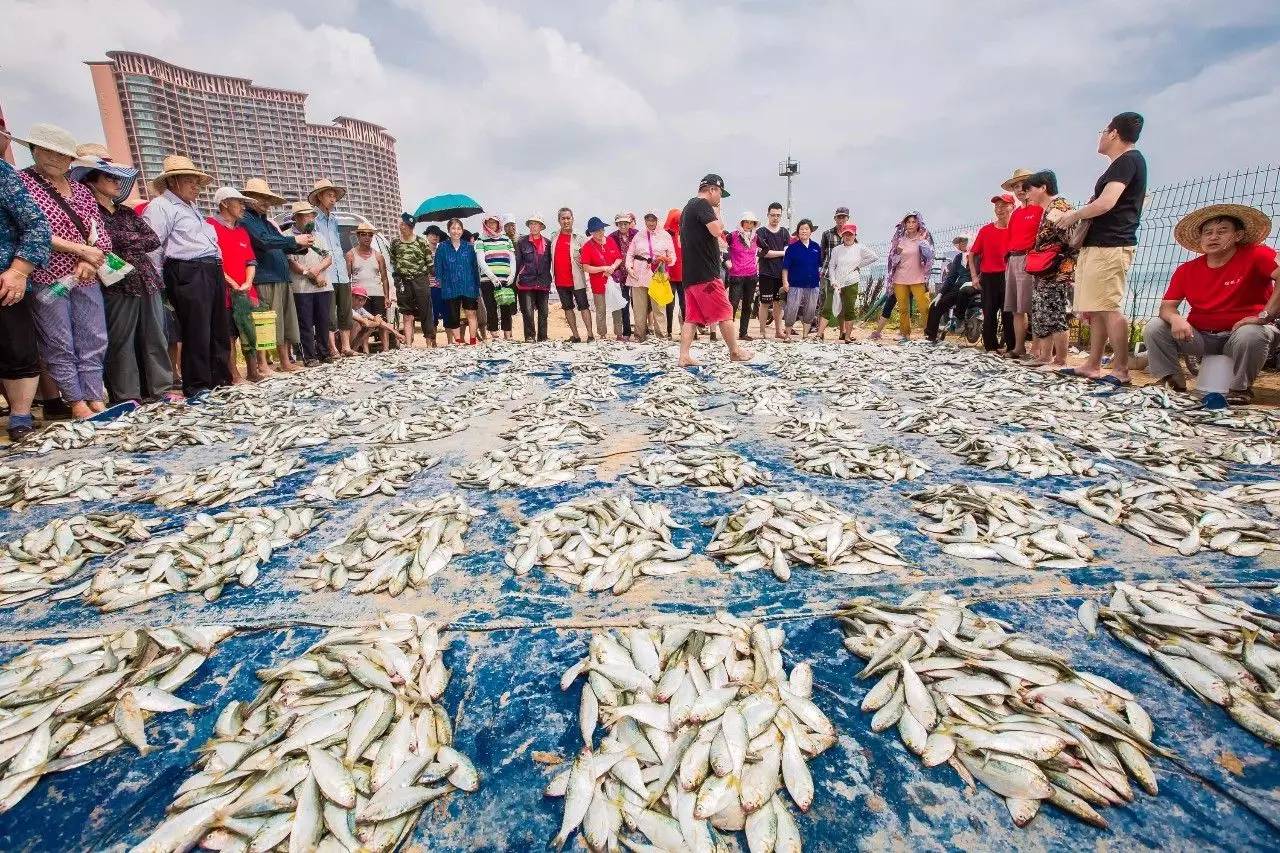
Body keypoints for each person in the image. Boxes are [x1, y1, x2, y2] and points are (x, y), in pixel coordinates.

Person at [14, 123, 113, 419]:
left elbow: (99, 234)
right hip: (47, 276)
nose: (54, 158)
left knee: (93, 335)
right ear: (34, 150)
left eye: (61, 153)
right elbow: (32, 230)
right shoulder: (23, 183)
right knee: (58, 340)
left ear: (71, 159)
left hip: (85, 276)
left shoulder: (82, 192)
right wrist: (79, 251)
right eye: (47, 150)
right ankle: (75, 400)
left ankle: (95, 396)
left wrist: (87, 260)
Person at [71, 145, 178, 403]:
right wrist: (125, 241)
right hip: (116, 284)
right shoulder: (87, 213)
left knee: (155, 336)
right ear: (91, 181)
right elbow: (102, 242)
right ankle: (127, 395)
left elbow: (151, 239)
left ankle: (161, 389)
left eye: (117, 177)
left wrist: (120, 242)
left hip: (146, 280)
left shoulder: (127, 212)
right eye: (109, 177)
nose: (116, 182)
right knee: (121, 340)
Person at [1145, 204, 1280, 406]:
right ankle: (1172, 381)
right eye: (1208, 233)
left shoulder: (1257, 254)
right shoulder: (1186, 270)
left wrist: (1264, 316)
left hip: (1242, 335)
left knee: (1251, 334)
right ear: (1200, 240)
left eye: (1222, 231)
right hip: (1201, 336)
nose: (1213, 237)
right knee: (1155, 326)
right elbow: (1167, 307)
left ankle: (1240, 388)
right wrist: (1176, 319)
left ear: (1238, 235)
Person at [1057, 112, 1148, 385]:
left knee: (1108, 306)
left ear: (1113, 133)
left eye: (1103, 130)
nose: (1100, 136)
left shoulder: (1128, 160)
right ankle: (1092, 364)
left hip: (1111, 243)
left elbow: (1106, 202)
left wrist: (1073, 215)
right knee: (1095, 308)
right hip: (1098, 244)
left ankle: (1120, 368)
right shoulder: (1124, 163)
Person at [143, 155, 227, 397]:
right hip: (187, 270)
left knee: (216, 327)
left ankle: (219, 379)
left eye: (197, 182)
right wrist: (158, 281)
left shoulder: (192, 208)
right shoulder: (161, 206)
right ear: (174, 181)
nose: (196, 187)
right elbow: (153, 246)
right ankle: (197, 384)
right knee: (196, 328)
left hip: (211, 268)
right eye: (190, 181)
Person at [0, 157, 52, 441]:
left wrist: (19, 270)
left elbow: (36, 226)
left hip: (4, 278)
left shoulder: (2, 172)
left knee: (16, 350)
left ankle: (20, 413)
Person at [677, 174, 751, 365]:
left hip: (690, 275)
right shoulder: (702, 205)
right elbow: (717, 230)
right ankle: (734, 352)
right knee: (725, 311)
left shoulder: (687, 208)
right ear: (712, 190)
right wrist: (716, 212)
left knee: (691, 317)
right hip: (705, 274)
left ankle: (684, 356)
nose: (720, 200)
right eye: (719, 194)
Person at [240, 178, 312, 373]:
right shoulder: (246, 219)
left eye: (268, 199)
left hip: (281, 276)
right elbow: (263, 241)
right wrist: (295, 239)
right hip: (264, 277)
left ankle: (285, 361)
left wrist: (301, 245)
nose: (266, 202)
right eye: (261, 198)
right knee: (265, 322)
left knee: (284, 322)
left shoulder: (269, 223)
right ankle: (262, 364)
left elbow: (281, 242)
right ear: (248, 198)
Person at [207, 187, 261, 383]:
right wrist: (231, 282)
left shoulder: (241, 231)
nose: (242, 207)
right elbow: (212, 260)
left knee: (248, 331)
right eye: (238, 202)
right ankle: (234, 375)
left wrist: (247, 282)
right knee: (229, 334)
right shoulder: (210, 226)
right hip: (225, 290)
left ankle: (253, 371)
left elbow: (251, 261)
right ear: (224, 204)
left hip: (245, 289)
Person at [1023, 170, 1076, 368]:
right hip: (1045, 269)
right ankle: (1044, 356)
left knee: (1055, 312)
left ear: (1043, 187)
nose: (1027, 195)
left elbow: (1071, 239)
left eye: (1029, 190)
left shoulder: (1060, 206)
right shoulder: (1048, 209)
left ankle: (1060, 358)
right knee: (1042, 310)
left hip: (1057, 269)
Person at [309, 178, 353, 357]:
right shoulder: (313, 218)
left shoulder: (334, 220)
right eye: (329, 195)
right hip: (326, 270)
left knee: (345, 309)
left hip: (341, 270)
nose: (333, 199)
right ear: (320, 196)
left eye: (334, 196)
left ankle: (346, 346)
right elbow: (313, 246)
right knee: (329, 312)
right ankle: (332, 348)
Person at [1003, 169, 1044, 359]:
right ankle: (1019, 347)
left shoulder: (1041, 209)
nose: (1020, 190)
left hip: (1031, 260)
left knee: (1033, 306)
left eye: (1023, 185)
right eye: (1016, 187)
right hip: (1013, 260)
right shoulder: (1016, 213)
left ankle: (1037, 349)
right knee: (1016, 308)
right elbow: (1009, 239)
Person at [286, 201, 333, 365]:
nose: (311, 219)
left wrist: (318, 270)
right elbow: (292, 262)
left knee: (323, 322)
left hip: (323, 286)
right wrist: (311, 274)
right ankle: (309, 356)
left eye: (312, 215)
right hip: (301, 288)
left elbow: (328, 257)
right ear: (297, 217)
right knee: (305, 323)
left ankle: (324, 353)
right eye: (307, 216)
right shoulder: (288, 236)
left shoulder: (319, 236)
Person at [969, 194, 1015, 353]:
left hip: (1009, 276)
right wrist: (974, 276)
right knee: (989, 313)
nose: (999, 209)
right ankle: (990, 347)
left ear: (1012, 207)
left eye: (1004, 205)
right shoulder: (986, 230)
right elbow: (972, 253)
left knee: (1009, 313)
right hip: (989, 277)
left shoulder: (1016, 230)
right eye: (997, 206)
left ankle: (1012, 347)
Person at [624, 210, 676, 342]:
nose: (651, 223)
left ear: (658, 221)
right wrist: (629, 268)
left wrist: (666, 260)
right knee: (639, 308)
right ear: (645, 221)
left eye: (653, 220)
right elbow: (630, 254)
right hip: (639, 273)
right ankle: (639, 336)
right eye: (648, 220)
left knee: (659, 307)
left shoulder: (665, 236)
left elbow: (673, 256)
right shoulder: (639, 235)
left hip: (657, 273)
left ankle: (661, 336)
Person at [883, 211, 934, 341]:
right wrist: (896, 255)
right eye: (908, 222)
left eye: (913, 222)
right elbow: (893, 259)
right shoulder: (899, 239)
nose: (911, 224)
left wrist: (926, 249)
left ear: (918, 223)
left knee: (924, 307)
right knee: (903, 308)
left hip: (918, 278)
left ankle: (929, 332)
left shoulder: (924, 238)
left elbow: (930, 257)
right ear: (904, 224)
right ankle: (904, 333)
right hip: (900, 278)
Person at [826, 223, 879, 343]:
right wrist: (833, 281)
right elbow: (831, 266)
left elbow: (874, 257)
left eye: (850, 234)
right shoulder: (836, 250)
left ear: (855, 235)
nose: (848, 236)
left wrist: (858, 265)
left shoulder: (859, 248)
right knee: (839, 308)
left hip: (852, 282)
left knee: (849, 308)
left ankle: (848, 336)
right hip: (838, 283)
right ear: (842, 235)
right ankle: (842, 331)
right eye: (846, 234)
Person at [390, 213, 435, 347]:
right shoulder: (395, 243)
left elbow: (429, 263)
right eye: (401, 224)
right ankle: (409, 345)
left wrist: (432, 276)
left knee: (425, 312)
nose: (402, 227)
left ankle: (428, 343)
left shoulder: (421, 242)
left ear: (411, 227)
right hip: (403, 282)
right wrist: (397, 278)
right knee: (407, 313)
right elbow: (393, 262)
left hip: (420, 280)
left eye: (405, 225)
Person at [347, 223, 393, 352]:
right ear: (358, 236)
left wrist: (387, 296)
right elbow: (347, 276)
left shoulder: (378, 255)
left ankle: (386, 349)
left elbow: (384, 277)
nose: (367, 237)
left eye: (370, 235)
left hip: (377, 293)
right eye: (363, 234)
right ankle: (365, 349)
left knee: (381, 321)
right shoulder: (351, 254)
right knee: (364, 322)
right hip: (359, 295)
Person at [436, 218, 480, 344]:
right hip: (449, 285)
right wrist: (440, 282)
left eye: (459, 228)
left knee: (471, 313)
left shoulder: (469, 247)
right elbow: (438, 266)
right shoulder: (442, 247)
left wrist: (477, 285)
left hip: (469, 284)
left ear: (462, 230)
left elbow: (474, 266)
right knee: (453, 315)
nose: (456, 231)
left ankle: (472, 341)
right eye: (453, 228)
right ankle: (459, 341)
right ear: (449, 230)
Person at [550, 208, 592, 342]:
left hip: (577, 279)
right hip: (560, 281)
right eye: (563, 218)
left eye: (568, 218)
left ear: (572, 219)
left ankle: (590, 335)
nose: (566, 221)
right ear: (559, 220)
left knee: (584, 307)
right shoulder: (553, 237)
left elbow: (589, 256)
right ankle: (576, 336)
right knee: (567, 308)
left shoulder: (580, 237)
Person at [580, 216, 624, 340]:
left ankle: (619, 334)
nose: (600, 232)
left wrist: (612, 268)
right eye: (596, 231)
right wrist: (604, 268)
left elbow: (619, 258)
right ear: (591, 233)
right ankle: (602, 334)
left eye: (601, 229)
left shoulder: (610, 240)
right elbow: (586, 267)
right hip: (598, 283)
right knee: (600, 310)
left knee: (617, 308)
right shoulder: (587, 246)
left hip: (613, 281)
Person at [925, 236, 974, 343]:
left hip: (975, 286)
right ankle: (930, 337)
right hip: (959, 286)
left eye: (965, 241)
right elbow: (951, 278)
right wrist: (940, 293)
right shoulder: (958, 258)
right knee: (935, 306)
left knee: (964, 292)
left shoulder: (979, 254)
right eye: (959, 243)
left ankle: (959, 319)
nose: (962, 244)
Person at [475, 214, 516, 341]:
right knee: (491, 307)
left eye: (494, 222)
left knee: (506, 306)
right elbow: (480, 260)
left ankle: (507, 333)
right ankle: (494, 332)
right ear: (485, 224)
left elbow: (512, 258)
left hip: (505, 279)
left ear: (499, 224)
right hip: (488, 280)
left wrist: (512, 275)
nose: (492, 225)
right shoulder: (480, 240)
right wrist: (492, 277)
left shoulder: (506, 240)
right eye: (489, 223)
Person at [781, 219, 822, 340]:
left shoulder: (816, 247)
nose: (804, 231)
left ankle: (805, 335)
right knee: (791, 309)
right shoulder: (792, 248)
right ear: (798, 232)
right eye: (801, 229)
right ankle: (787, 335)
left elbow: (820, 265)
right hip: (795, 284)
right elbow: (785, 267)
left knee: (810, 309)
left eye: (806, 229)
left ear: (811, 231)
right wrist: (785, 282)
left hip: (813, 284)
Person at [514, 214, 553, 342]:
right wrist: (515, 281)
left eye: (536, 224)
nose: (533, 226)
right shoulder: (521, 242)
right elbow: (517, 261)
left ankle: (543, 337)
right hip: (526, 282)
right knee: (528, 312)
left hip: (543, 282)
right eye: (531, 224)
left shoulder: (548, 243)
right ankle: (530, 336)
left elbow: (552, 262)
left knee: (544, 312)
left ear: (541, 227)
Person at [755, 202, 789, 339]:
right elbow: (764, 253)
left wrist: (779, 253)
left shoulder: (785, 232)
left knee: (778, 303)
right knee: (764, 302)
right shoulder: (761, 232)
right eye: (773, 215)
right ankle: (762, 331)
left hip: (781, 273)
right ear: (768, 215)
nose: (775, 218)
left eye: (778, 215)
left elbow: (788, 252)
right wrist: (782, 253)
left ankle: (778, 331)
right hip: (766, 273)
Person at [817, 206, 851, 338]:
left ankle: (843, 332)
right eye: (839, 217)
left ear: (847, 218)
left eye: (844, 217)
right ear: (835, 218)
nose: (841, 219)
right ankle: (821, 332)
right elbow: (822, 253)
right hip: (827, 273)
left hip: (843, 274)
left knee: (842, 302)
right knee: (824, 301)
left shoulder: (851, 234)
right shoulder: (827, 234)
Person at [724, 211, 759, 341]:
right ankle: (729, 333)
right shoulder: (732, 235)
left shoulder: (756, 237)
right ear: (741, 222)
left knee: (747, 305)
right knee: (732, 304)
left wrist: (757, 259)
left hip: (751, 275)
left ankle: (743, 333)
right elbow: (722, 247)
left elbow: (765, 249)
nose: (749, 225)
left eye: (751, 222)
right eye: (746, 222)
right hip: (736, 275)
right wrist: (727, 261)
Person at [350, 285, 405, 352]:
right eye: (359, 299)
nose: (361, 302)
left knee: (373, 325)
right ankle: (350, 349)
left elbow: (378, 321)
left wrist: (396, 333)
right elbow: (366, 323)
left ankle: (354, 349)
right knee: (358, 324)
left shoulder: (361, 309)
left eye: (364, 300)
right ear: (351, 297)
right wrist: (377, 322)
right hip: (339, 337)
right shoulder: (348, 308)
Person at [610, 213, 638, 339]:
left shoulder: (637, 234)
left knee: (638, 304)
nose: (623, 225)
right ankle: (626, 332)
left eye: (625, 223)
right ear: (617, 224)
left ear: (629, 224)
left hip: (636, 273)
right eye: (620, 223)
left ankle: (640, 330)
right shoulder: (612, 237)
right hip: (621, 275)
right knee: (624, 304)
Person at [663, 208, 685, 333]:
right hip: (671, 273)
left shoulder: (683, 232)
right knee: (672, 304)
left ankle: (673, 330)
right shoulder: (667, 233)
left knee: (682, 304)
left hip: (680, 273)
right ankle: (669, 329)